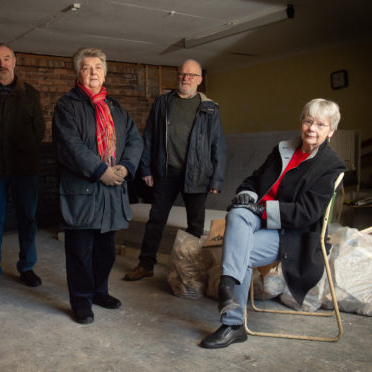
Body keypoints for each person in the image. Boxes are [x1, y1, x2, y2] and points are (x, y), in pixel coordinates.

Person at [200, 98, 347, 349]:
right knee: (236, 214)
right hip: (257, 219)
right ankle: (227, 287)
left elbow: (307, 213)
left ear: (331, 131)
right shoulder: (284, 149)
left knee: (240, 249)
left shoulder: (330, 165)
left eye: (320, 124)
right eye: (308, 121)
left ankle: (233, 324)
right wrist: (247, 198)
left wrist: (260, 208)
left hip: (291, 233)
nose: (312, 128)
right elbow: (254, 180)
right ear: (301, 123)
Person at [52, 47, 143, 324]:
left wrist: (125, 167)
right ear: (78, 73)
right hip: (83, 192)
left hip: (113, 192)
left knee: (105, 251)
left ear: (104, 73)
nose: (93, 72)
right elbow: (71, 146)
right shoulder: (66, 106)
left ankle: (100, 291)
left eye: (98, 67)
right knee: (80, 252)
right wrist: (101, 170)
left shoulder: (115, 108)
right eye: (87, 67)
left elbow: (135, 141)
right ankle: (81, 301)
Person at [124, 59, 226, 281]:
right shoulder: (163, 102)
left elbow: (217, 144)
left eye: (191, 75)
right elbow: (149, 137)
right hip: (165, 172)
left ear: (199, 80)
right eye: (182, 74)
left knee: (195, 226)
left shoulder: (209, 107)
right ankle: (146, 264)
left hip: (197, 174)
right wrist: (146, 169)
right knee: (155, 220)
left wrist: (216, 179)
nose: (185, 78)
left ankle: (190, 271)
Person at [0, 43, 45, 291]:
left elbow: (39, 131)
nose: (1, 64)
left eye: (6, 58)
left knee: (28, 219)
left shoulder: (31, 94)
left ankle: (27, 267)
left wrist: (23, 153)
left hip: (24, 169)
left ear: (15, 60)